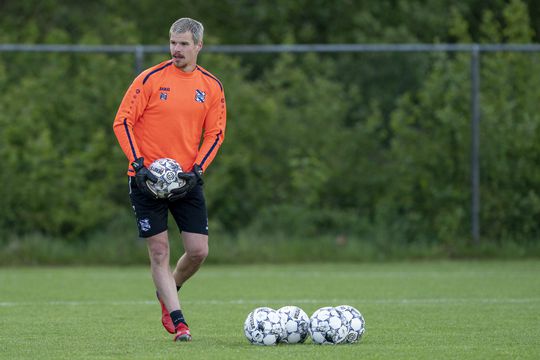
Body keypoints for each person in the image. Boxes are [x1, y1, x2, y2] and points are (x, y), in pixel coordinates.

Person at [112, 17, 226, 342]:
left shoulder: (211, 86)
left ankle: (169, 290)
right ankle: (179, 322)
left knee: (198, 251)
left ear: (199, 46)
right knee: (159, 252)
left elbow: (215, 134)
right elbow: (122, 122)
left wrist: (198, 170)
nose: (176, 50)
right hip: (146, 181)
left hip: (186, 181)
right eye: (173, 43)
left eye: (184, 44)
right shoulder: (149, 79)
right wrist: (139, 164)